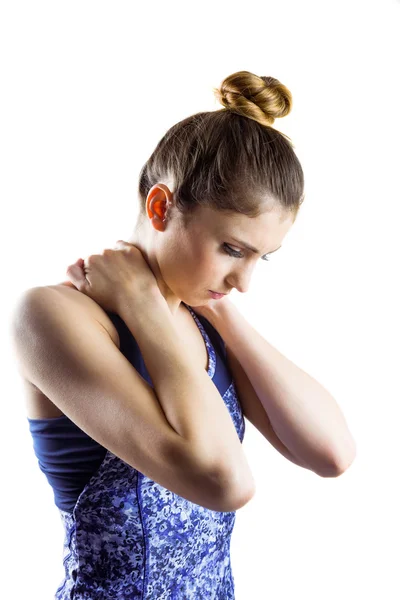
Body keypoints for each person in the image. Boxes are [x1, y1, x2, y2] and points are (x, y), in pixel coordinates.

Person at [11, 70, 355, 599]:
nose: (243, 282)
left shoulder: (200, 316)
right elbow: (226, 483)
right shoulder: (53, 315)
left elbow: (331, 453)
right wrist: (144, 305)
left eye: (263, 258)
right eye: (232, 250)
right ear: (160, 206)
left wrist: (216, 314)